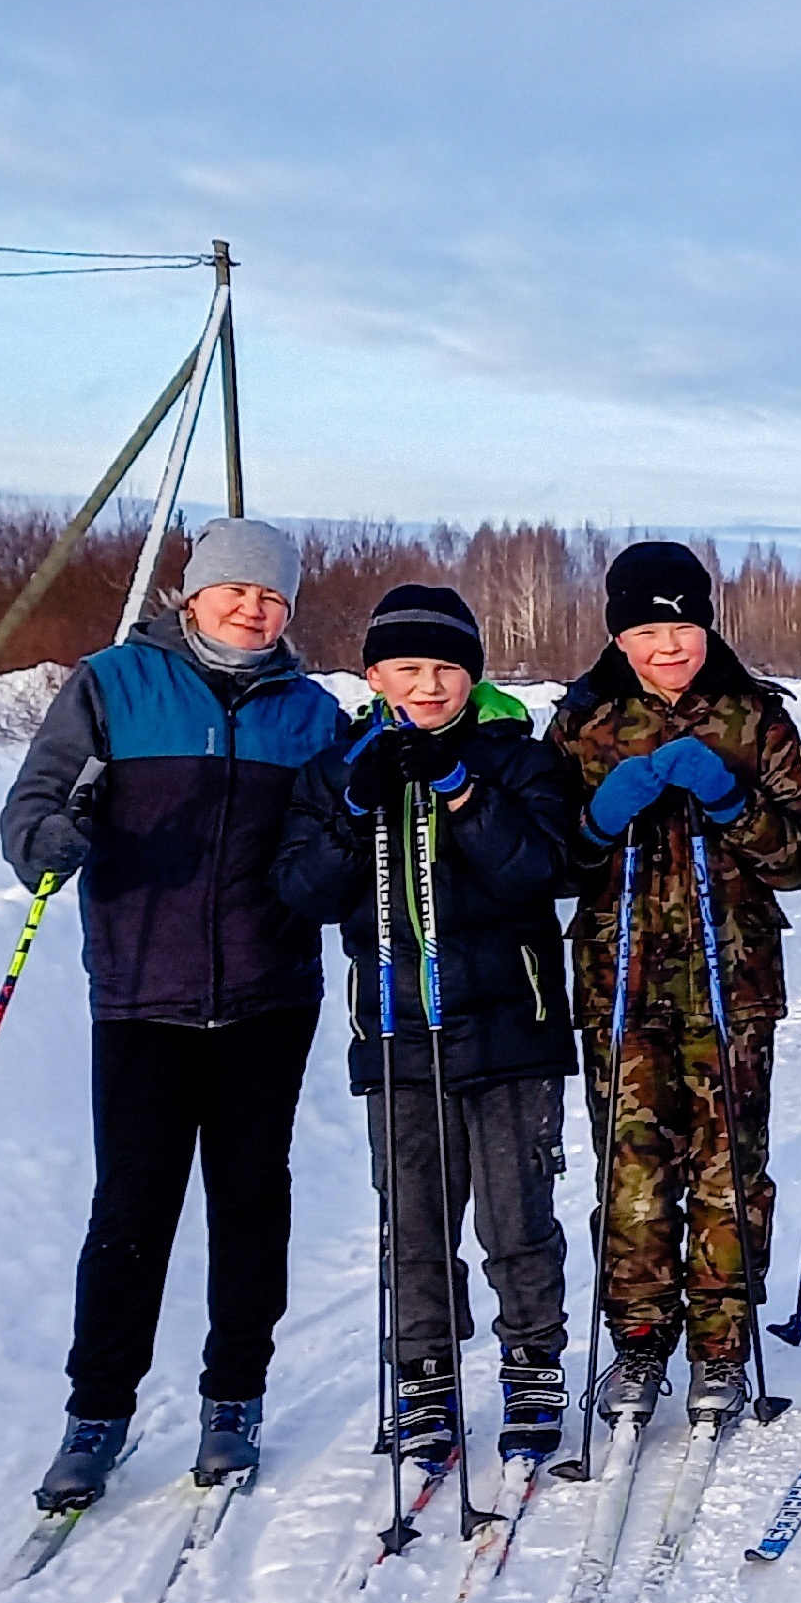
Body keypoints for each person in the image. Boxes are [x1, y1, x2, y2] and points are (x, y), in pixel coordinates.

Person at [1, 519, 343, 1506]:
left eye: (272, 597)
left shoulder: (310, 712)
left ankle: (234, 1400)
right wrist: (49, 840)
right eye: (236, 591)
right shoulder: (112, 684)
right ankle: (95, 1413)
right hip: (141, 993)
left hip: (268, 995)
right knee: (132, 1207)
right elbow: (32, 806)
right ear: (191, 597)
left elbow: (338, 828)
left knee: (250, 1201)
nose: (253, 608)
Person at [275, 587, 580, 1464]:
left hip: (510, 1031)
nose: (429, 684)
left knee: (518, 1219)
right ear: (374, 676)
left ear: (472, 675)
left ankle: (532, 1362)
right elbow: (302, 889)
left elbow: (540, 871)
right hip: (400, 1037)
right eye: (407, 668)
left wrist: (459, 793)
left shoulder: (514, 759)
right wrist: (353, 811)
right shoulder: (336, 769)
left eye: (446, 668)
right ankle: (424, 1376)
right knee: (413, 1222)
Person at [549, 541, 801, 1428]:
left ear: (707, 624)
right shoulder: (582, 724)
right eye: (648, 629)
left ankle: (720, 1345)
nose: (669, 645)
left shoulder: (756, 720)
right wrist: (596, 818)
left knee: (729, 1169)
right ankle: (636, 1340)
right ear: (619, 636)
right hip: (620, 982)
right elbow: (548, 860)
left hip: (730, 982)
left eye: (683, 625)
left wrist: (736, 805)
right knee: (630, 1170)